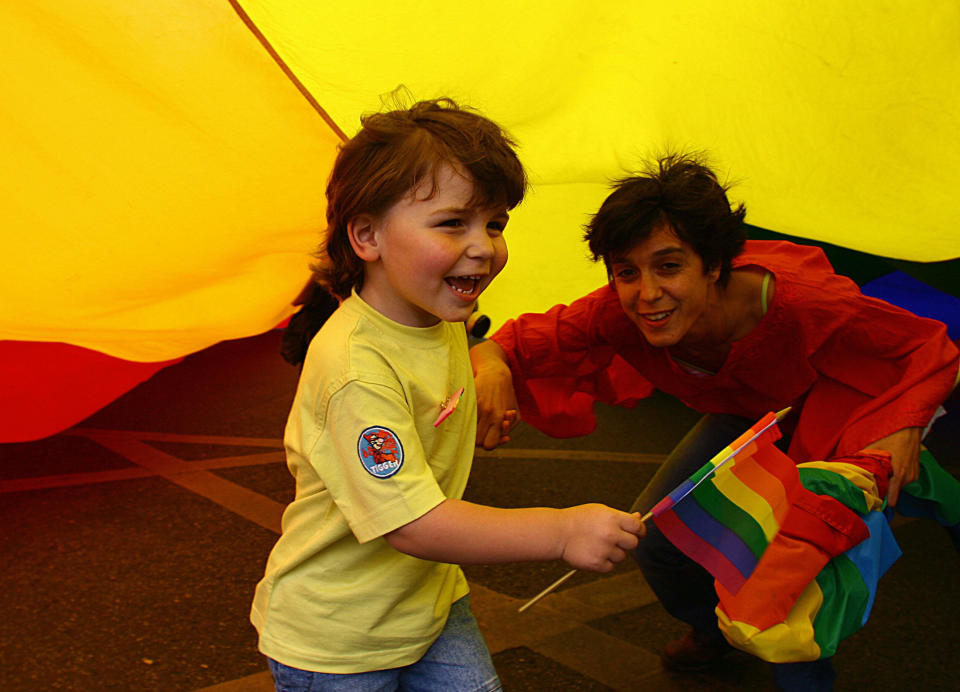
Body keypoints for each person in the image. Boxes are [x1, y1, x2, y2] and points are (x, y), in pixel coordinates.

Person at [469, 153, 959, 690]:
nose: (647, 294)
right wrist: (490, 360)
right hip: (749, 418)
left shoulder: (802, 301)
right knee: (659, 541)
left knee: (810, 559)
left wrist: (906, 425)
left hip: (837, 410)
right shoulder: (616, 311)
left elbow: (927, 345)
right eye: (626, 271)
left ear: (714, 264)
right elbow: (526, 338)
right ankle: (716, 637)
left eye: (669, 266)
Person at [250, 99, 645, 692]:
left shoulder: (437, 319)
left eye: (495, 223)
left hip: (428, 598)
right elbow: (409, 523)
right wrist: (560, 532)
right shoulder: (356, 368)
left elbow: (455, 358)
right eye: (452, 223)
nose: (484, 246)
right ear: (366, 235)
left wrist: (481, 384)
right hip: (340, 639)